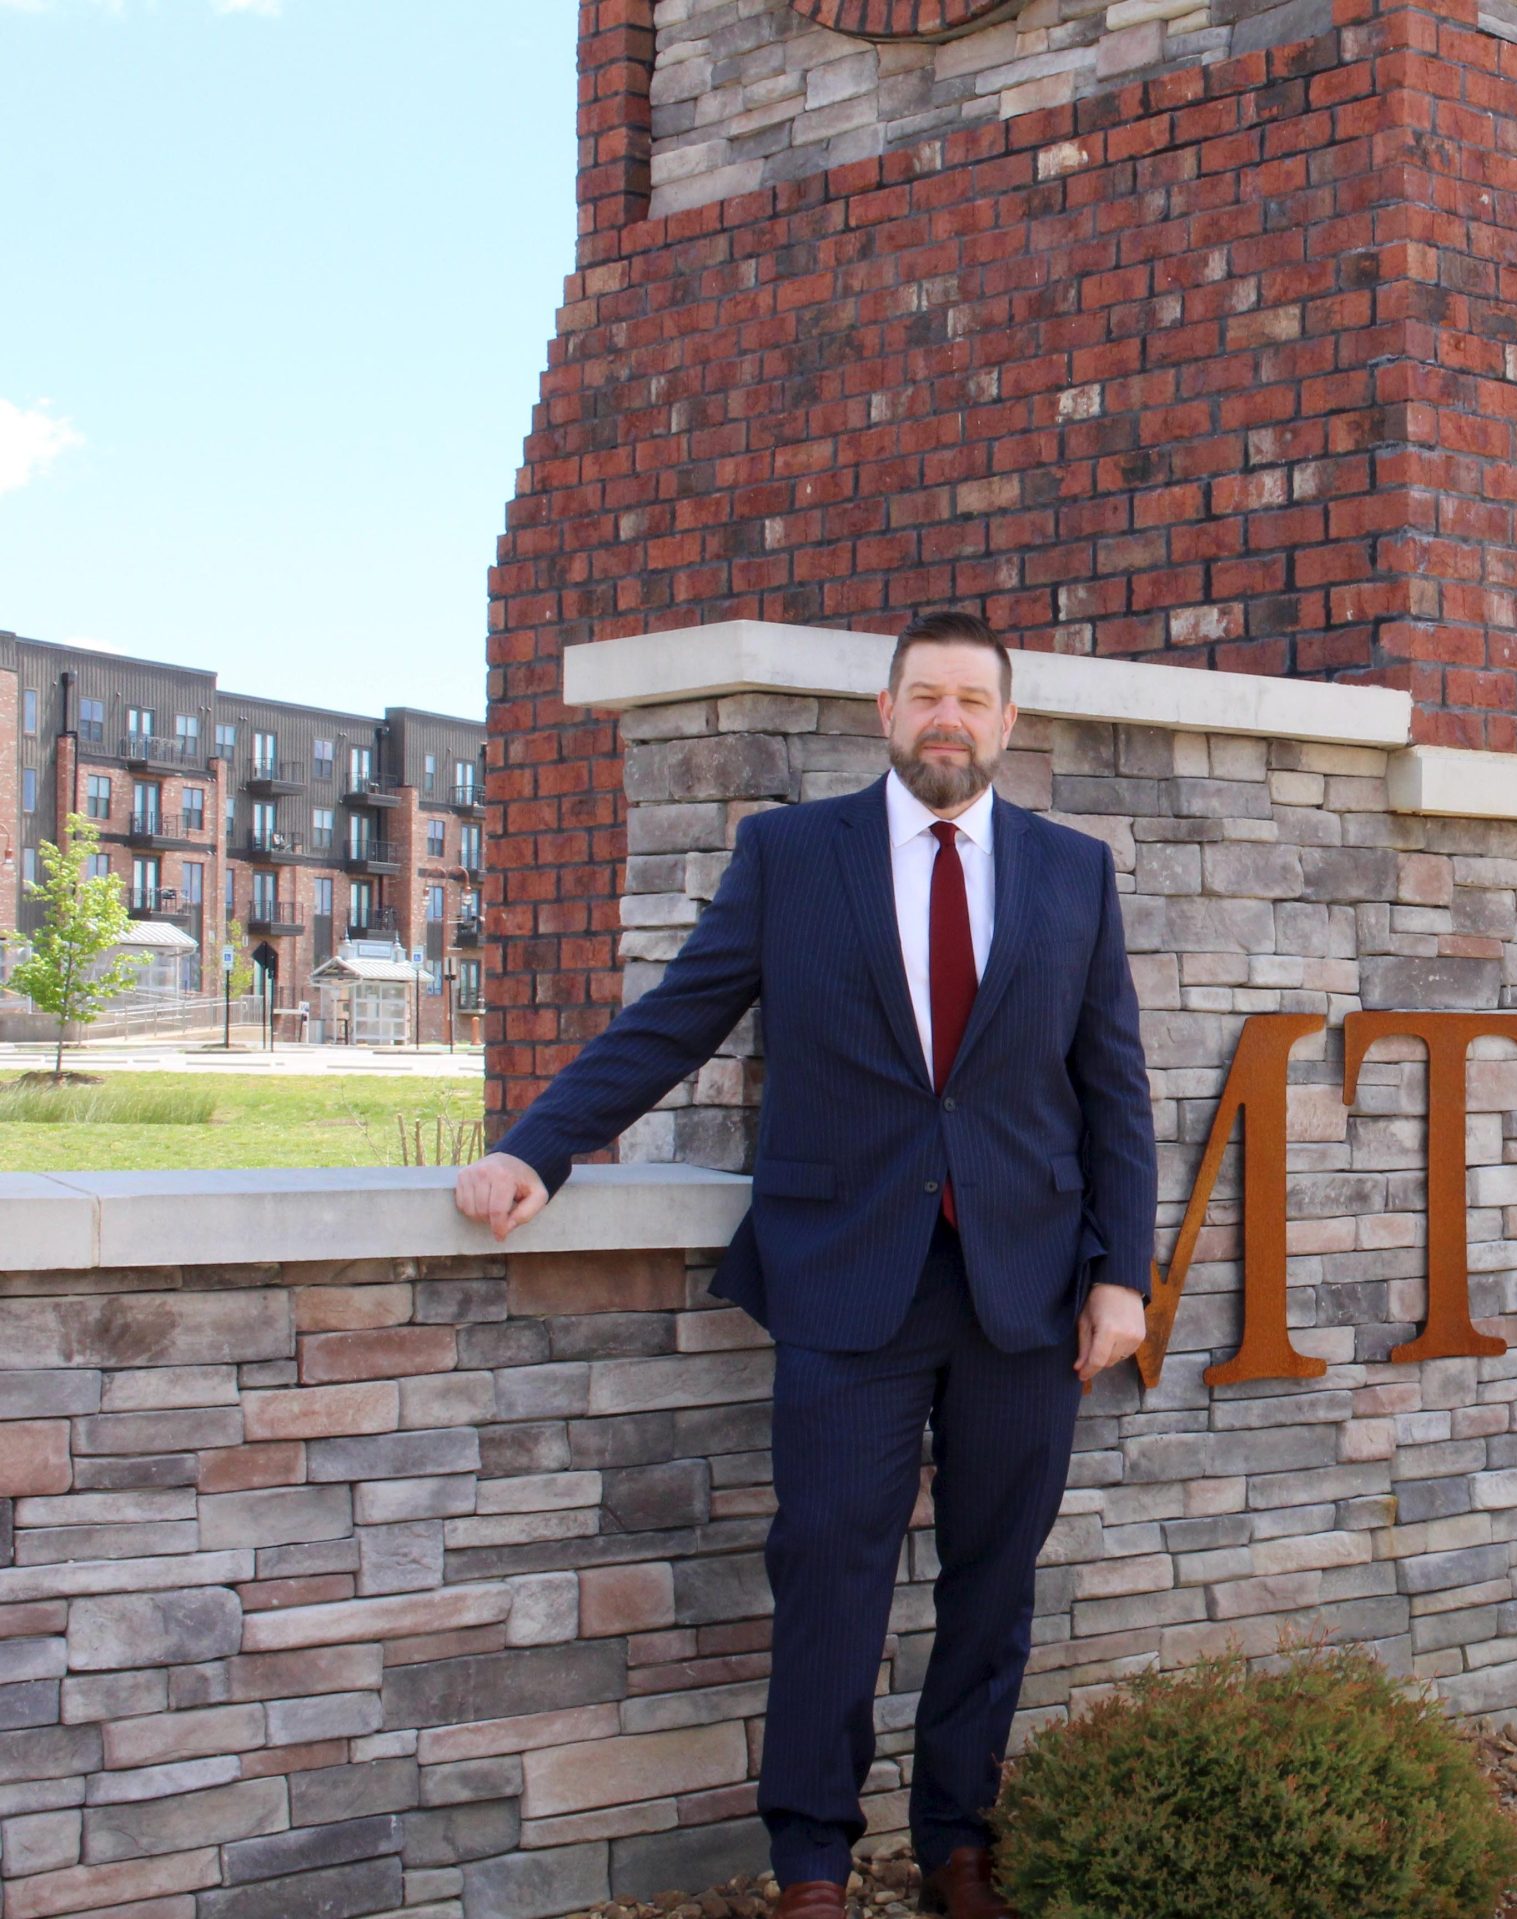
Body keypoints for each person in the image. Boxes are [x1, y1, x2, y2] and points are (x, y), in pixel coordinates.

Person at [453, 611, 1157, 1919]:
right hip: (848, 1279)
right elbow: (677, 1015)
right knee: (830, 1564)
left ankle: (958, 1839)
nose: (949, 718)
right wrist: (540, 1150)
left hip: (1026, 1287)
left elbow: (1112, 1088)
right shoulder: (791, 856)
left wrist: (1126, 1273)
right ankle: (814, 1864)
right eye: (926, 696)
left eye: (974, 700)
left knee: (994, 1578)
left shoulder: (1073, 873)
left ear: (1008, 724)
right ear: (886, 716)